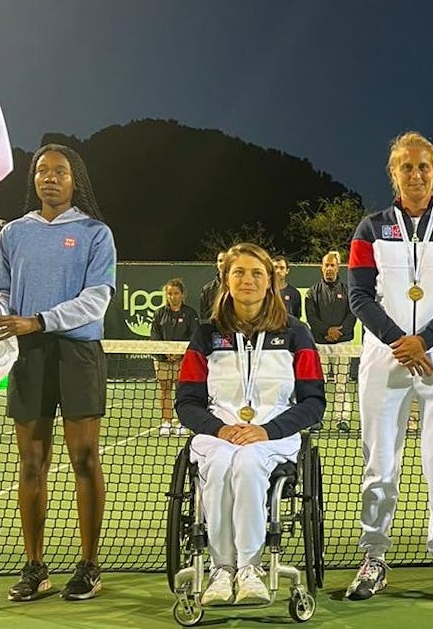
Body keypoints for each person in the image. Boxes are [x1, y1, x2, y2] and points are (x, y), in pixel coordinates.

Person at [345, 131, 433, 600]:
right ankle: (373, 557)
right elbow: (359, 294)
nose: (417, 174)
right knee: (380, 462)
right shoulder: (371, 228)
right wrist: (398, 341)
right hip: (385, 357)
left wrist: (424, 340)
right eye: (407, 166)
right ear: (393, 174)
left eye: (425, 166)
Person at [0, 144, 116, 601]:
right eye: (42, 171)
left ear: (75, 180)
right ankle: (35, 568)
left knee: (84, 460)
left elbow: (96, 299)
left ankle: (89, 566)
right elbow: (2, 291)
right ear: (33, 180)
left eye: (60, 171)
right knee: (32, 463)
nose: (49, 177)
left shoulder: (96, 233)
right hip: (29, 354)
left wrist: (37, 319)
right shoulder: (13, 234)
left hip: (77, 354)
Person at [176, 243, 326, 606]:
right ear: (225, 280)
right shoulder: (206, 335)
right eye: (239, 272)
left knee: (245, 463)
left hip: (275, 435)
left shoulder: (296, 333)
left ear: (271, 281)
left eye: (257, 273)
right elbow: (186, 402)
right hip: (218, 434)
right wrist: (219, 429)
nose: (248, 280)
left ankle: (249, 569)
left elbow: (313, 402)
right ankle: (221, 570)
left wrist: (267, 431)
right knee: (223, 461)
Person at [303, 250, 357, 429]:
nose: (329, 269)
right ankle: (318, 418)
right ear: (321, 267)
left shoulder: (348, 291)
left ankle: (342, 419)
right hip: (320, 345)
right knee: (320, 383)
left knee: (342, 382)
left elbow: (352, 315)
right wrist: (327, 331)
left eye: (332, 265)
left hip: (343, 344)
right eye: (326, 265)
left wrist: (338, 333)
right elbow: (311, 318)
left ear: (338, 267)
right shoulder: (312, 293)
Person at [150, 278, 200, 436]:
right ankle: (166, 422)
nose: (172, 296)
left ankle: (182, 422)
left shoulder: (190, 313)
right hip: (163, 360)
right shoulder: (159, 313)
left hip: (184, 360)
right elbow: (154, 335)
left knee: (182, 391)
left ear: (182, 295)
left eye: (176, 293)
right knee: (165, 390)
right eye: (169, 293)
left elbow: (194, 335)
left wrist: (180, 352)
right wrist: (164, 352)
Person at [273, 255, 302, 321]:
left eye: (282, 268)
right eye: (275, 267)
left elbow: (296, 317)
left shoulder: (294, 293)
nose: (278, 271)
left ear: (287, 271)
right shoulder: (264, 292)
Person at [199, 250, 225, 321]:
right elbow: (204, 315)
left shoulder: (239, 287)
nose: (223, 263)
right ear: (216, 264)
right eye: (220, 260)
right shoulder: (207, 289)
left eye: (226, 260)